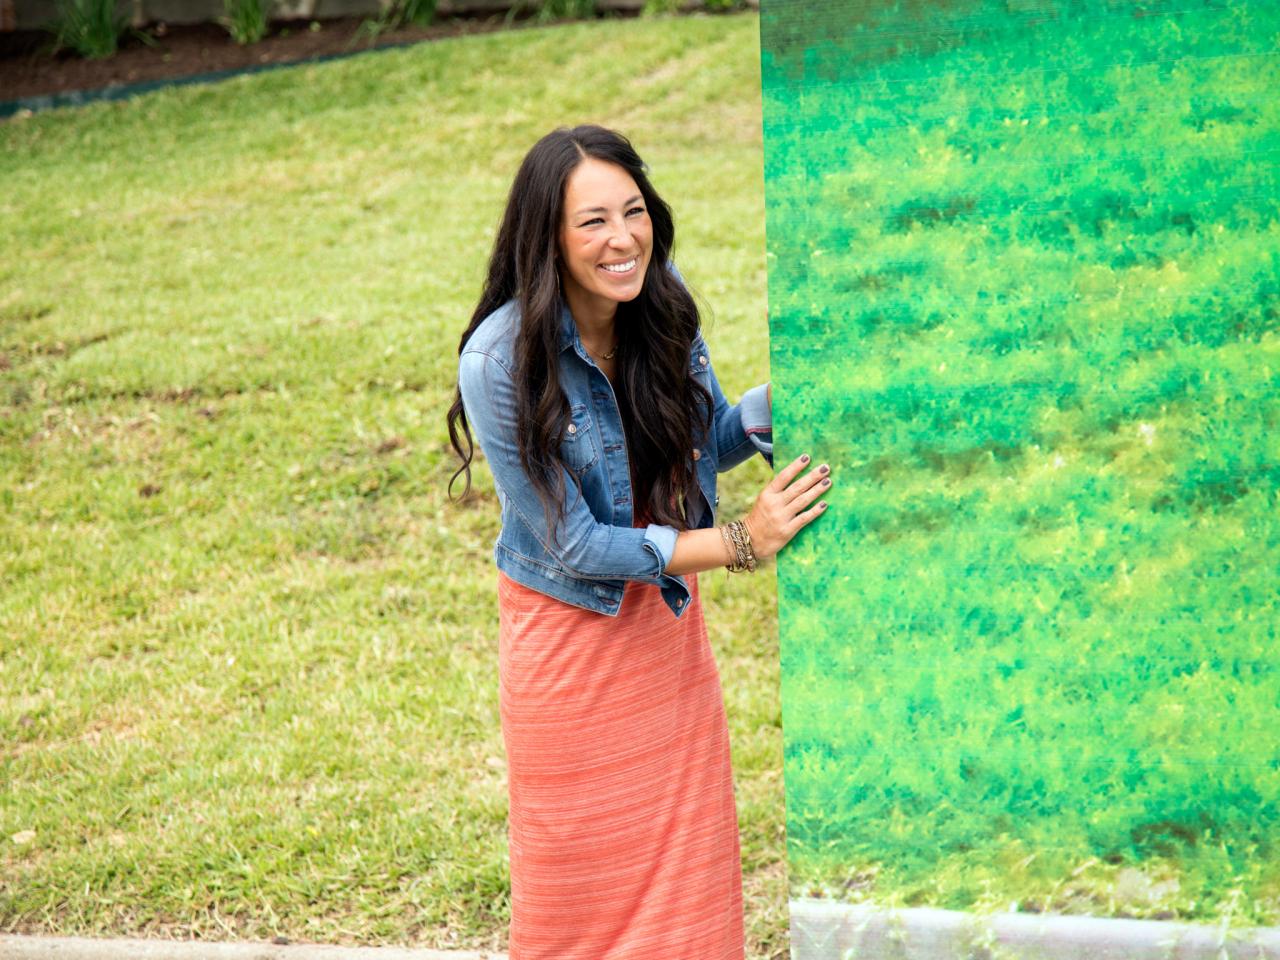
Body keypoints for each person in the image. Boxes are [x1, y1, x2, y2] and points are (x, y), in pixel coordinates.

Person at [446, 124, 832, 960]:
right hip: (571, 645)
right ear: (547, 239)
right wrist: (741, 540)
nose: (622, 239)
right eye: (592, 222)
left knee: (689, 883)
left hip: (663, 635)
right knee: (581, 900)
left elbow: (701, 442)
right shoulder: (498, 361)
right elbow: (578, 545)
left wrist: (796, 398)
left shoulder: (661, 297)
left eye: (633, 212)